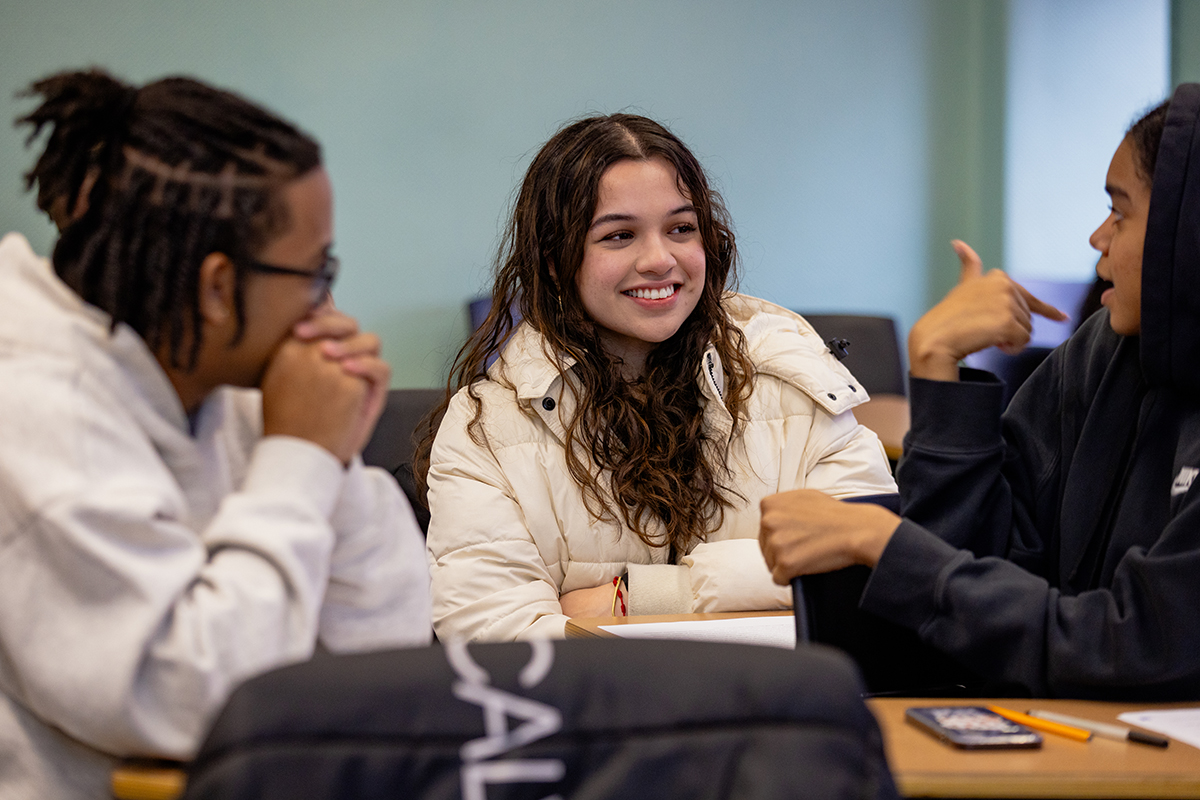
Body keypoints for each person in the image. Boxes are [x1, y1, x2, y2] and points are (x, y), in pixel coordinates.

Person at [0, 69, 431, 797]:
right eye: (316, 270)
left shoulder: (227, 388)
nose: (326, 303)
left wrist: (335, 455)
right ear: (218, 288)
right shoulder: (39, 416)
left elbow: (386, 654)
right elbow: (194, 704)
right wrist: (299, 459)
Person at [760, 84, 1200, 699]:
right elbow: (974, 561)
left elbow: (1135, 646)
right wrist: (938, 366)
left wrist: (878, 540)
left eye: (1121, 213)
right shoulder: (1109, 349)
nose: (1098, 239)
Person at [419, 114, 896, 642]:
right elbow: (497, 637)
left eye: (681, 229)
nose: (659, 259)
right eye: (619, 235)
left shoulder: (793, 378)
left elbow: (870, 570)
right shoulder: (486, 428)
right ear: (555, 261)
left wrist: (634, 598)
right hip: (605, 720)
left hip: (781, 706)